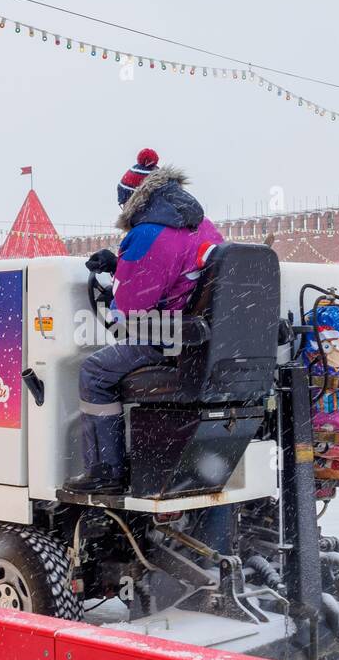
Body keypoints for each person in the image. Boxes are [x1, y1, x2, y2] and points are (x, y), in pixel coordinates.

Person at [65, 148, 224, 494]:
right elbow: (176, 271)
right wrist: (118, 264)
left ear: (132, 202)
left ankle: (105, 469)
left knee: (94, 372)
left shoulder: (147, 233)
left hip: (168, 337)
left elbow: (129, 308)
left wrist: (114, 289)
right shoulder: (202, 225)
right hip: (206, 338)